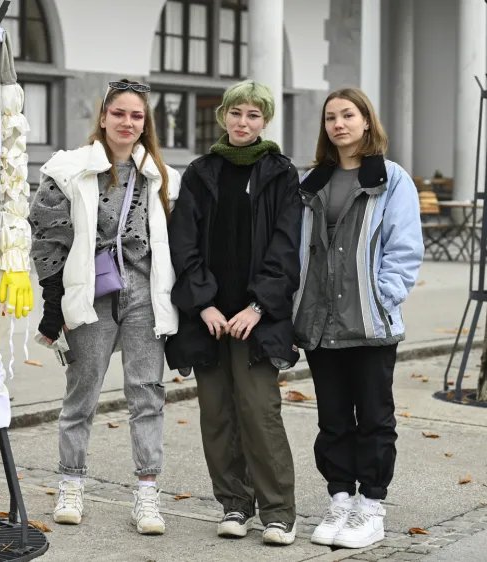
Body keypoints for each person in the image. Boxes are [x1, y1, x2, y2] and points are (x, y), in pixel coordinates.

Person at [30, 79, 181, 535]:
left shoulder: (160, 174)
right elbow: (47, 237)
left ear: (145, 123)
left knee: (146, 394)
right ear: (103, 116)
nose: (128, 123)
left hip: (144, 291)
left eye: (137, 116)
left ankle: (147, 494)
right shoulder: (69, 169)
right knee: (82, 393)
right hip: (90, 291)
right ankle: (71, 483)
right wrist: (53, 305)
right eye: (119, 113)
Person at [166, 79, 302, 545]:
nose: (243, 123)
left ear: (265, 121)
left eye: (254, 115)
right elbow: (181, 242)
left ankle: (279, 512)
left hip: (255, 318)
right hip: (208, 318)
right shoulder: (201, 171)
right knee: (217, 414)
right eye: (236, 113)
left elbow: (286, 247)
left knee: (259, 410)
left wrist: (258, 306)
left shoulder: (281, 173)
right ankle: (234, 504)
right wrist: (202, 303)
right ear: (223, 116)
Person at [294, 88, 422, 549]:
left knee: (373, 416)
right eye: (331, 117)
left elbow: (404, 248)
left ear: (367, 121)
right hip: (320, 322)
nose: (338, 124)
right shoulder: (312, 181)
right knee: (332, 419)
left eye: (348, 115)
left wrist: (382, 298)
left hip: (369, 321)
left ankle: (370, 505)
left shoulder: (390, 178)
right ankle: (340, 499)